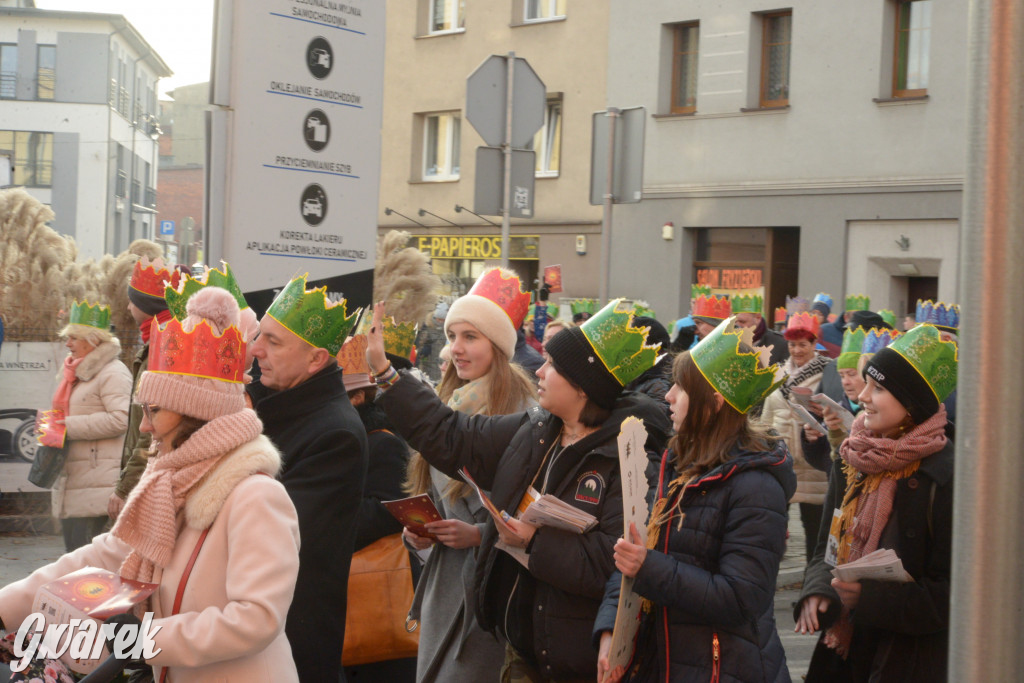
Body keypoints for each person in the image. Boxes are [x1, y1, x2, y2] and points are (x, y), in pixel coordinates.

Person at [0, 287, 301, 682]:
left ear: (195, 411)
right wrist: (6, 607)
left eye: (153, 411)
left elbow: (257, 619)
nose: (143, 426)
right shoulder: (169, 481)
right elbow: (104, 555)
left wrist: (142, 640)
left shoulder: (256, 496)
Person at [368, 297, 672, 682]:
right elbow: (452, 436)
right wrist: (386, 373)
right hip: (521, 649)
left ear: (583, 387)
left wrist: (532, 541)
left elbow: (613, 564)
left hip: (579, 660)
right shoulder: (535, 430)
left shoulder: (627, 458)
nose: (539, 371)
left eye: (553, 366)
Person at [595, 316, 794, 683]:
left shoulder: (756, 486)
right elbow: (634, 553)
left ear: (713, 403)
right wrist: (610, 630)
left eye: (680, 389)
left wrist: (648, 568)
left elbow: (741, 598)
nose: (668, 396)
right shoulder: (679, 465)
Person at [794, 324, 957, 682]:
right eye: (865, 382)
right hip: (845, 653)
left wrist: (869, 600)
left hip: (909, 659)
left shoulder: (945, 477)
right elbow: (828, 546)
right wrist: (819, 590)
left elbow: (956, 594)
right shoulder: (852, 457)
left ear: (912, 405)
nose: (862, 396)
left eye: (878, 387)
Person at [402, 268, 537, 682]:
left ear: (497, 345)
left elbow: (538, 512)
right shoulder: (445, 402)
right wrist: (420, 533)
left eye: (470, 337)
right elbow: (435, 494)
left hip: (490, 594)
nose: (456, 348)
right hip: (444, 585)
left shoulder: (525, 411)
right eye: (451, 336)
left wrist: (478, 534)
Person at [247, 275, 368, 683]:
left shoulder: (337, 433)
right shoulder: (269, 401)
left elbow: (273, 530)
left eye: (274, 342)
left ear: (316, 359)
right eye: (259, 336)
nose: (256, 350)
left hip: (293, 636)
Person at [337, 334, 418, 683]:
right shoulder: (352, 438)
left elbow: (387, 508)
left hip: (377, 588)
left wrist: (327, 526)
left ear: (358, 397)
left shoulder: (383, 443)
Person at [48, 301, 132, 552]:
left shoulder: (113, 373)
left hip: (95, 482)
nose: (68, 343)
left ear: (94, 340)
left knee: (86, 566)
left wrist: (67, 426)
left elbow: (121, 419)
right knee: (75, 560)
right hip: (75, 478)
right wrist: (51, 427)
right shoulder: (75, 372)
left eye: (74, 337)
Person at [109, 256, 180, 520]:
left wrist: (125, 486)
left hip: (146, 477)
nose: (128, 307)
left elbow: (150, 428)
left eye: (132, 300)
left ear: (145, 306)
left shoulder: (160, 351)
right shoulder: (155, 344)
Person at [760, 311, 831, 562]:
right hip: (782, 464)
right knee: (773, 533)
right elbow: (766, 419)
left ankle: (810, 591)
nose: (797, 350)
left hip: (814, 470)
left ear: (814, 344)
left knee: (815, 536)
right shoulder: (778, 374)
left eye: (803, 344)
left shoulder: (828, 375)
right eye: (792, 344)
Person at [731, 291, 790, 366]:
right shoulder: (730, 343)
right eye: (735, 322)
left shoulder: (781, 344)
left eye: (742, 322)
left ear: (758, 318)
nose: (738, 326)